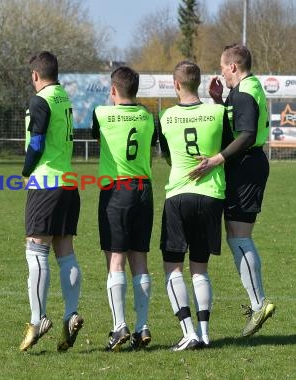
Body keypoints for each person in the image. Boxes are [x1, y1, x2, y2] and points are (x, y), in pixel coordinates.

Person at [190, 44, 275, 337]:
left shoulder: (244, 92)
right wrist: (219, 99)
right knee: (237, 235)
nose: (221, 72)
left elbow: (247, 133)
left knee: (239, 236)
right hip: (247, 165)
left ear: (234, 67)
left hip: (246, 167)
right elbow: (237, 125)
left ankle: (259, 302)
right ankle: (257, 301)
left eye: (223, 67)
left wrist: (217, 159)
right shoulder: (245, 90)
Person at [159, 61, 232, 351]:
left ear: (176, 85)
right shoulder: (217, 112)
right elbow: (228, 147)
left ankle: (187, 331)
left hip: (178, 194)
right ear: (199, 82)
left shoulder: (166, 116)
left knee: (172, 266)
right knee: (200, 268)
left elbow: (165, 156)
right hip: (212, 195)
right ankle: (203, 333)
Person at [19, 51, 83, 352]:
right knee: (65, 252)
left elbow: (37, 141)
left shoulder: (40, 99)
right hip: (69, 182)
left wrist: (26, 170)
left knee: (36, 249)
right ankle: (70, 313)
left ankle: (38, 318)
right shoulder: (64, 98)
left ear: (35, 75)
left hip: (46, 183)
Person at [91, 66, 155, 351]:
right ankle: (142, 326)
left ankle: (119, 328)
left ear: (114, 90)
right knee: (139, 259)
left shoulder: (101, 114)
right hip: (144, 191)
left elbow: (98, 135)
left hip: (116, 189)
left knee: (115, 260)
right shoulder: (148, 117)